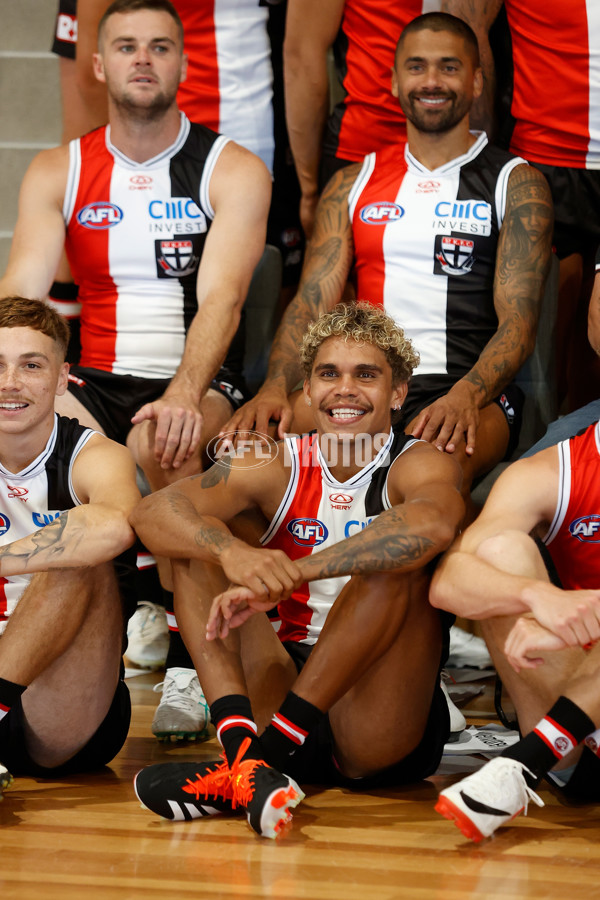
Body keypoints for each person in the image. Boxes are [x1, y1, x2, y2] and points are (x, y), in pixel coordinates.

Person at [3, 0, 271, 739]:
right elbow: (19, 301)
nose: (143, 59)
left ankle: (189, 665)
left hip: (198, 379)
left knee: (165, 444)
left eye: (159, 46)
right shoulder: (62, 168)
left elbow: (223, 295)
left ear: (184, 63)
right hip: (95, 377)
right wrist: (29, 389)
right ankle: (109, 618)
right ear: (99, 65)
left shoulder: (231, 167)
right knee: (35, 431)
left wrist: (185, 392)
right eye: (125, 47)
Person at [130, 302, 464, 838]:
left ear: (398, 394)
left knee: (391, 558)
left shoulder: (421, 462)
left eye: (366, 375)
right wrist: (231, 554)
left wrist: (298, 570)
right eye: (329, 374)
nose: (345, 389)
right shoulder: (275, 460)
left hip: (375, 719)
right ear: (306, 391)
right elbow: (153, 511)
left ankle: (266, 758)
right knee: (196, 542)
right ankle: (245, 759)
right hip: (282, 683)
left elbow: (432, 528)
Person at [225, 12, 553, 513]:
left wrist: (467, 395)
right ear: (395, 80)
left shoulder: (517, 181)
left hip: (465, 387)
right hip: (359, 382)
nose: (431, 81)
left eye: (449, 67)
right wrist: (274, 386)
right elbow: (312, 304)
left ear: (477, 79)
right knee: (234, 471)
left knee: (422, 493)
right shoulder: (351, 183)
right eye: (417, 67)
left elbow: (520, 322)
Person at [430, 418, 600, 841]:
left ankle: (525, 762)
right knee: (497, 551)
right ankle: (544, 753)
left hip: (552, 736)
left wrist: (574, 625)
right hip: (580, 740)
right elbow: (447, 584)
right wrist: (534, 596)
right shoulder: (550, 471)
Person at [0, 297, 140, 797]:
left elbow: (116, 525)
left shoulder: (96, 454)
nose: (10, 383)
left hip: (62, 706)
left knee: (80, 549)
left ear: (61, 380)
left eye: (31, 365)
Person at [442, 0, 600, 414]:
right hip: (547, 161)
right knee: (545, 360)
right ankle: (546, 460)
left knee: (593, 358)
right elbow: (466, 28)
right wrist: (480, 154)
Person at [283, 0, 439, 239]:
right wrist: (310, 191)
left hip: (458, 148)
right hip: (365, 153)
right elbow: (303, 57)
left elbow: (302, 59)